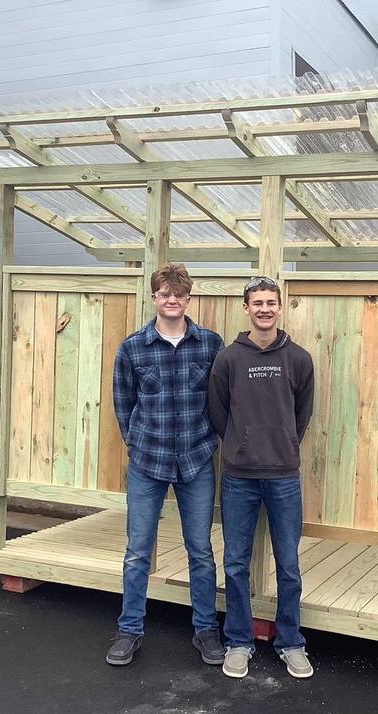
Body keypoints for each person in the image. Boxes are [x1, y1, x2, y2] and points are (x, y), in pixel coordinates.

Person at [107, 263, 226, 667]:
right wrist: (137, 441)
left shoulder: (210, 345)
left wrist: (210, 438)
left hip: (196, 460)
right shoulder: (133, 348)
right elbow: (123, 402)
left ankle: (205, 630)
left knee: (201, 551)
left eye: (178, 294)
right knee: (138, 551)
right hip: (148, 460)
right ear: (154, 298)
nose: (171, 300)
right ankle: (129, 630)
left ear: (188, 298)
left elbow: (220, 398)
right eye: (164, 294)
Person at [208, 276, 315, 679]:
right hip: (239, 476)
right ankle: (239, 641)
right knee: (235, 563)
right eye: (258, 303)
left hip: (284, 475)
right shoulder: (228, 359)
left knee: (288, 564)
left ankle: (291, 642)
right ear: (246, 308)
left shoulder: (299, 359)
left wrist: (282, 443)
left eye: (271, 303)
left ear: (280, 307)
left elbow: (302, 414)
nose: (265, 309)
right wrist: (240, 444)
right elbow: (218, 412)